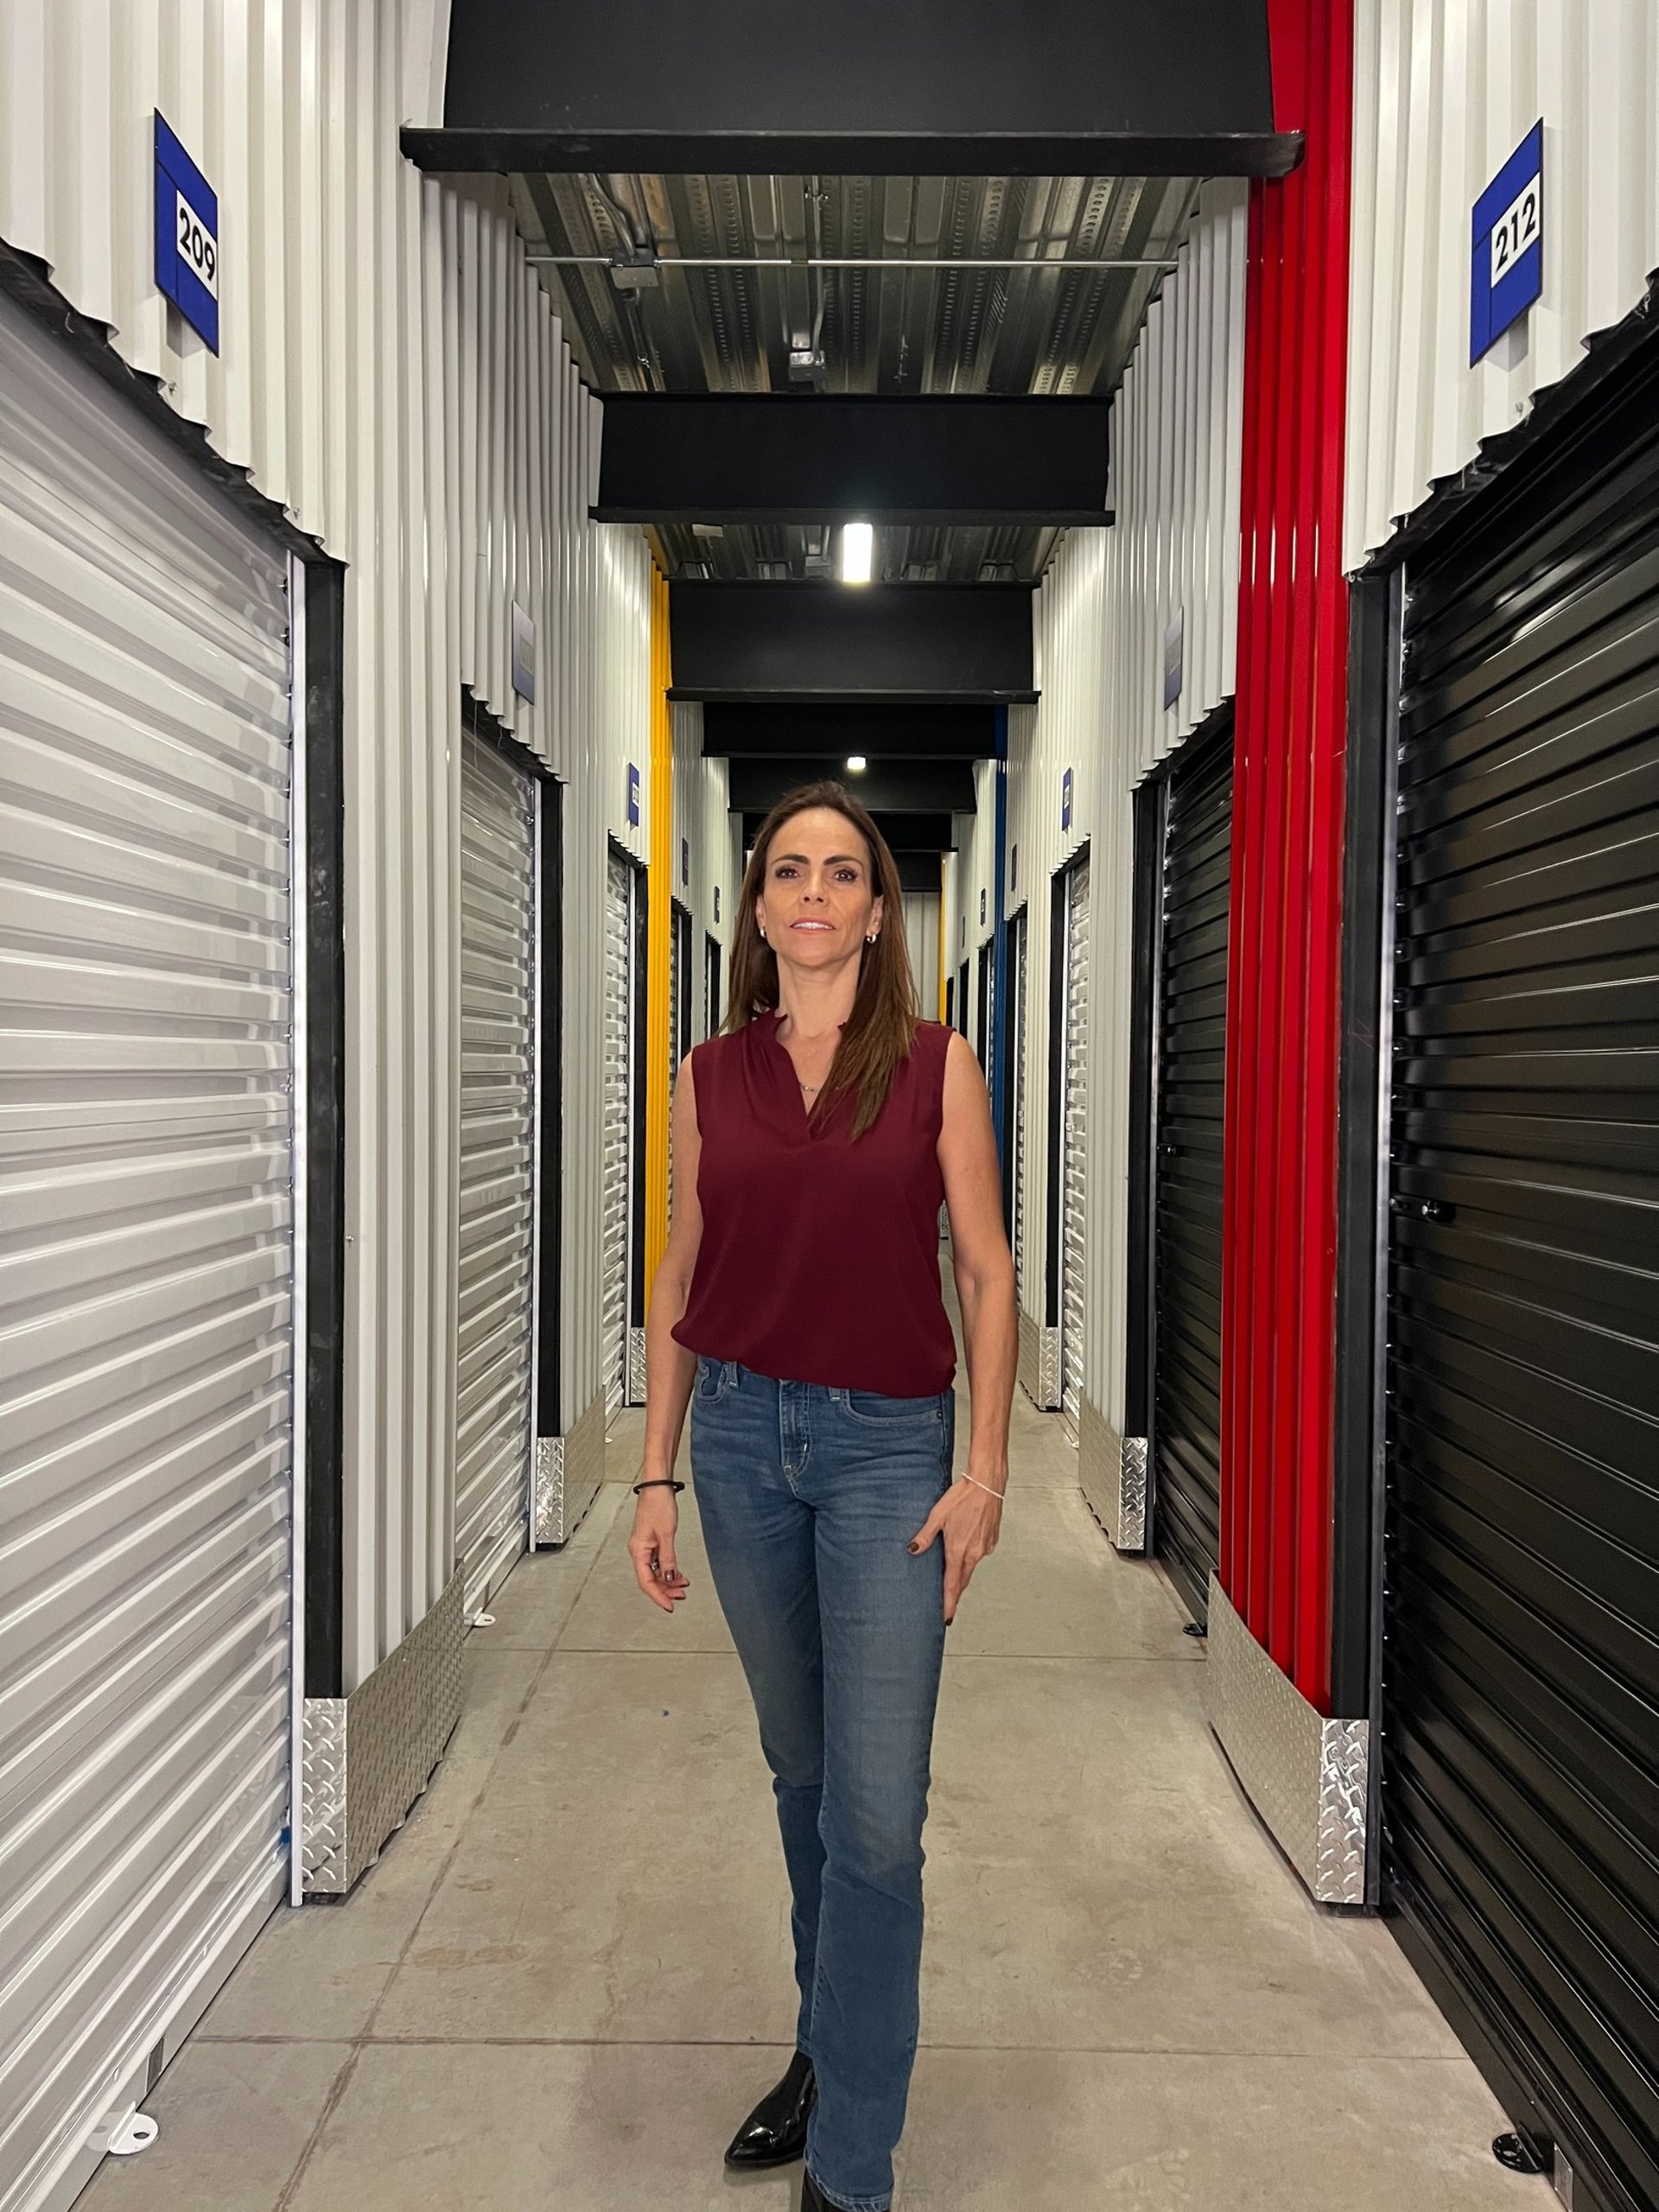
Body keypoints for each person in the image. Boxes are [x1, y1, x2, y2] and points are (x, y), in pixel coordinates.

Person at [627, 780, 1019, 2212]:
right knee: (804, 1786)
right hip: (735, 1444)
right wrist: (656, 1470)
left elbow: (986, 1272)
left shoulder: (934, 1065)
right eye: (787, 869)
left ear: (876, 908)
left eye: (841, 872)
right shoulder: (706, 1073)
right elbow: (684, 1274)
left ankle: (852, 2168)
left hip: (884, 1458)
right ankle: (827, 2045)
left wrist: (984, 1473)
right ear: (756, 903)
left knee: (880, 1821)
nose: (812, 893)